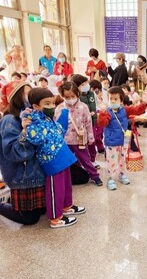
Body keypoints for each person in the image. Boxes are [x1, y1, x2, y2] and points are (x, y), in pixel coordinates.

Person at [25, 88, 85, 228]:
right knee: (55, 190)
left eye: (52, 103)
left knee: (65, 186)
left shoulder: (47, 119)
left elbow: (60, 131)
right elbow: (35, 139)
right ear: (36, 106)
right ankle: (55, 218)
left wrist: (64, 114)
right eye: (47, 104)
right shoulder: (33, 121)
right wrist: (26, 121)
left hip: (62, 157)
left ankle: (66, 206)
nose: (51, 107)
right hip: (51, 161)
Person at [0, 82, 46, 225]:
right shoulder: (10, 120)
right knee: (30, 218)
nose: (31, 97)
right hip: (22, 177)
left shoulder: (34, 117)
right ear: (17, 97)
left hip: (36, 175)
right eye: (27, 93)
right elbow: (15, 153)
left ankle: (12, 200)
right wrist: (25, 132)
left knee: (43, 211)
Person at [97, 86, 147, 191]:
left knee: (122, 160)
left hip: (124, 140)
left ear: (121, 101)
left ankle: (122, 174)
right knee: (111, 161)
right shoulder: (107, 112)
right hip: (111, 142)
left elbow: (136, 110)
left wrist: (144, 103)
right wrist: (102, 112)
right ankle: (110, 178)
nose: (113, 101)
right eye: (111, 98)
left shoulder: (125, 110)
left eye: (116, 99)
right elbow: (102, 123)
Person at [55, 82, 103, 186]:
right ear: (62, 96)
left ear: (77, 94)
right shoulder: (59, 108)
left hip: (80, 139)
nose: (70, 99)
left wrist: (91, 138)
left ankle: (95, 176)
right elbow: (56, 125)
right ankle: (72, 177)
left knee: (85, 159)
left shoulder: (84, 107)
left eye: (73, 96)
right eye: (67, 97)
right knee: (68, 161)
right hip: (65, 141)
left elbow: (88, 123)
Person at [71, 74, 100, 168]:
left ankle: (93, 160)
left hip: (93, 122)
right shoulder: (76, 97)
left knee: (92, 142)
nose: (86, 85)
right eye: (83, 84)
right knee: (82, 143)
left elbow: (97, 104)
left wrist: (96, 113)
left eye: (86, 83)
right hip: (81, 125)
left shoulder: (91, 93)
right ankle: (83, 161)